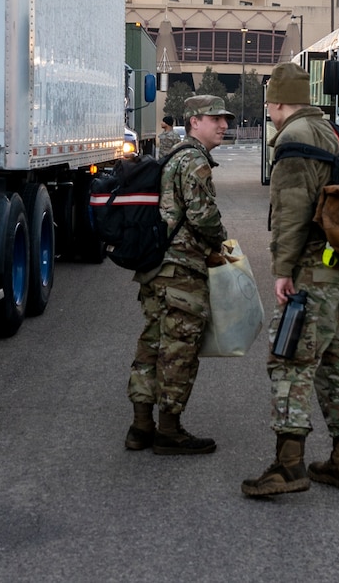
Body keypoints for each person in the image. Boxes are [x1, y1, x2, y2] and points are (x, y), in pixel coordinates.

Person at [242, 62, 339, 497]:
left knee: (291, 361)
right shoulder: (336, 131)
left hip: (313, 272)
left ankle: (289, 466)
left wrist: (281, 272)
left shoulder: (294, 138)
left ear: (274, 102)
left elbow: (292, 213)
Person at [125, 94, 234, 455]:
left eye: (224, 119)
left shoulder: (174, 155)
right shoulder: (194, 161)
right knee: (179, 350)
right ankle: (169, 431)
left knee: (152, 344)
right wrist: (220, 243)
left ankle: (141, 427)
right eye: (214, 118)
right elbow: (203, 216)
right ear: (193, 122)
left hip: (157, 268)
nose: (223, 125)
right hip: (182, 272)